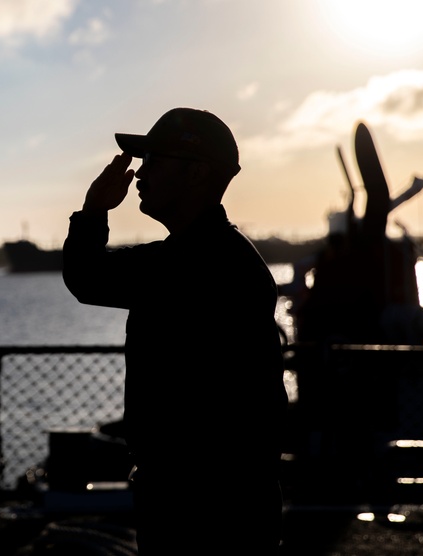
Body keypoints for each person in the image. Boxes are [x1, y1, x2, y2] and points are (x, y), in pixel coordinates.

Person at [62, 107, 287, 554]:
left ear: (197, 172)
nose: (140, 175)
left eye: (155, 161)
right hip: (223, 499)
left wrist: (93, 211)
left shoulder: (195, 263)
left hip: (204, 507)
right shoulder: (212, 255)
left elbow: (86, 277)